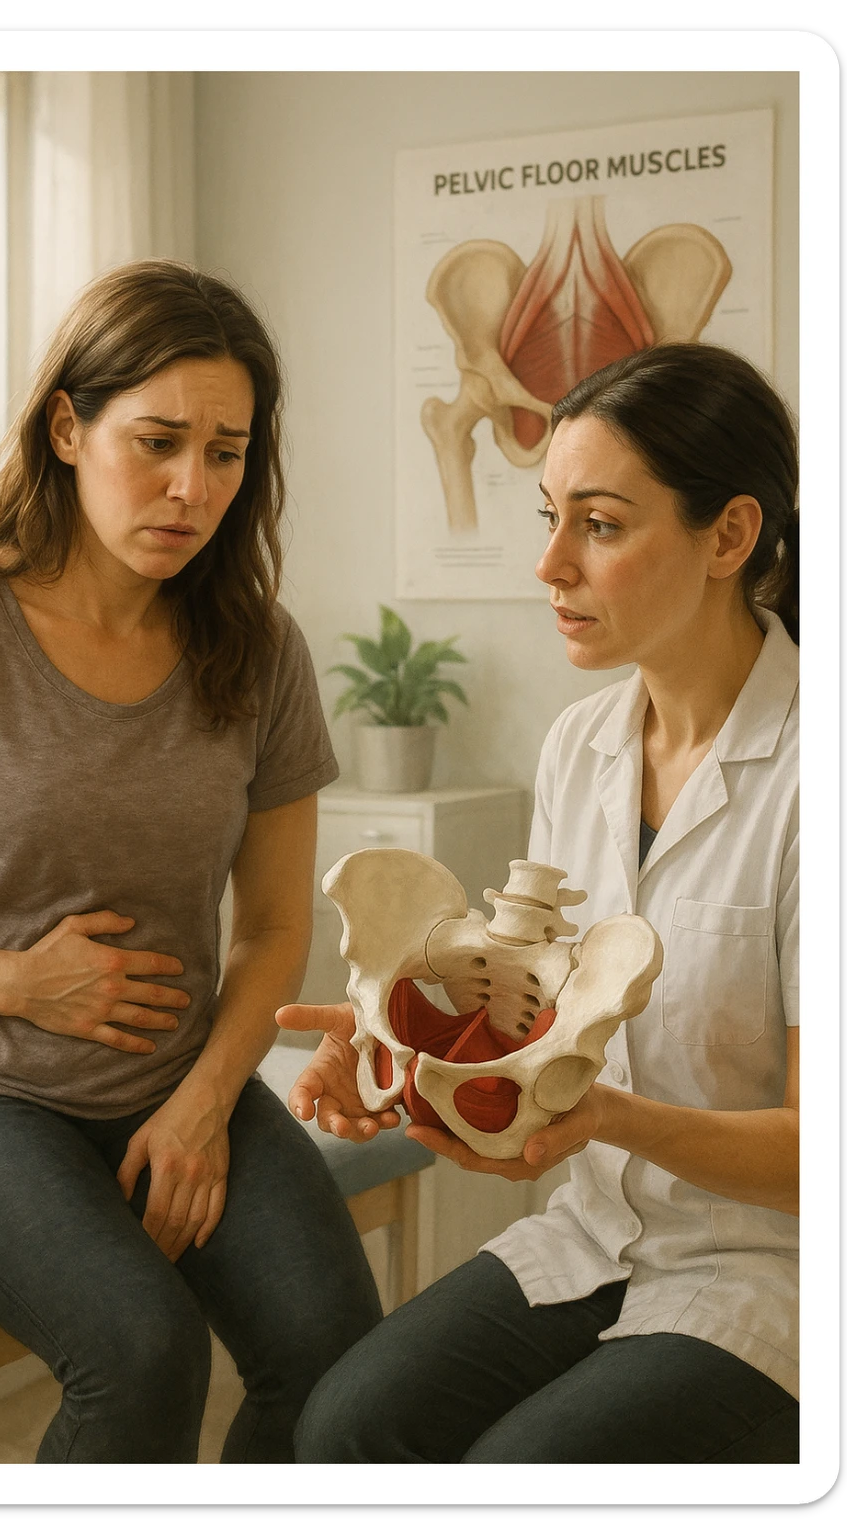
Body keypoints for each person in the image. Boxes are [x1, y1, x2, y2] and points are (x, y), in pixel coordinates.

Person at [0, 259, 383, 1464]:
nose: (189, 488)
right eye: (154, 441)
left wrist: (206, 1102)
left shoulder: (258, 649)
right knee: (142, 1351)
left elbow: (268, 930)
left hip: (172, 1078)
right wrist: (17, 984)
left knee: (335, 1361)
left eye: (225, 451)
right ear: (67, 426)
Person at [281, 342, 800, 1464]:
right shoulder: (580, 745)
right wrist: (397, 1043)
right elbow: (541, 1013)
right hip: (598, 1232)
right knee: (342, 1428)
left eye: (600, 526)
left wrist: (605, 1117)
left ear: (730, 536)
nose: (549, 564)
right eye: (547, 517)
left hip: (777, 1272)